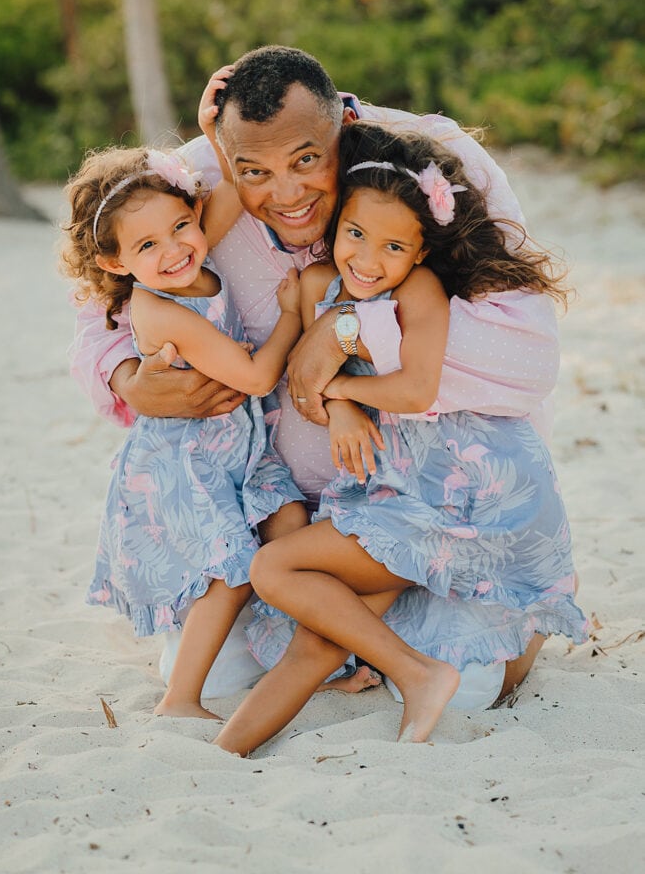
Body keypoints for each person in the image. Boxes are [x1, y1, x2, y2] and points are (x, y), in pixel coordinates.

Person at [68, 46, 562, 701]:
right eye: (254, 171)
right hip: (282, 520)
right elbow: (95, 308)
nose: (287, 193)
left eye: (307, 160)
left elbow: (528, 355)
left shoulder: (429, 163)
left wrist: (349, 326)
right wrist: (125, 377)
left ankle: (512, 622)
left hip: (425, 512)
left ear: (345, 134)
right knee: (208, 682)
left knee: (469, 690)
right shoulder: (188, 183)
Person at [212, 121, 588, 754]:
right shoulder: (315, 288)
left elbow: (415, 391)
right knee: (317, 640)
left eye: (392, 247)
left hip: (448, 495)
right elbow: (308, 385)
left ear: (419, 253)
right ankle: (223, 757)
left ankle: (424, 672)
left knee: (275, 566)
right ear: (336, 226)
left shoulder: (420, 289)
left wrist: (345, 394)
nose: (367, 259)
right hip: (390, 488)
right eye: (355, 235)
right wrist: (337, 410)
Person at [61, 144, 309, 718]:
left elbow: (234, 189)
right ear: (117, 264)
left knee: (291, 530)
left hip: (238, 451)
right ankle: (180, 699)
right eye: (147, 245)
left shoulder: (193, 257)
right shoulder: (159, 309)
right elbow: (254, 375)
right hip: (186, 460)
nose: (173, 250)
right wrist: (294, 315)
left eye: (180, 227)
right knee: (233, 571)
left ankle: (308, 661)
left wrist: (212, 133)